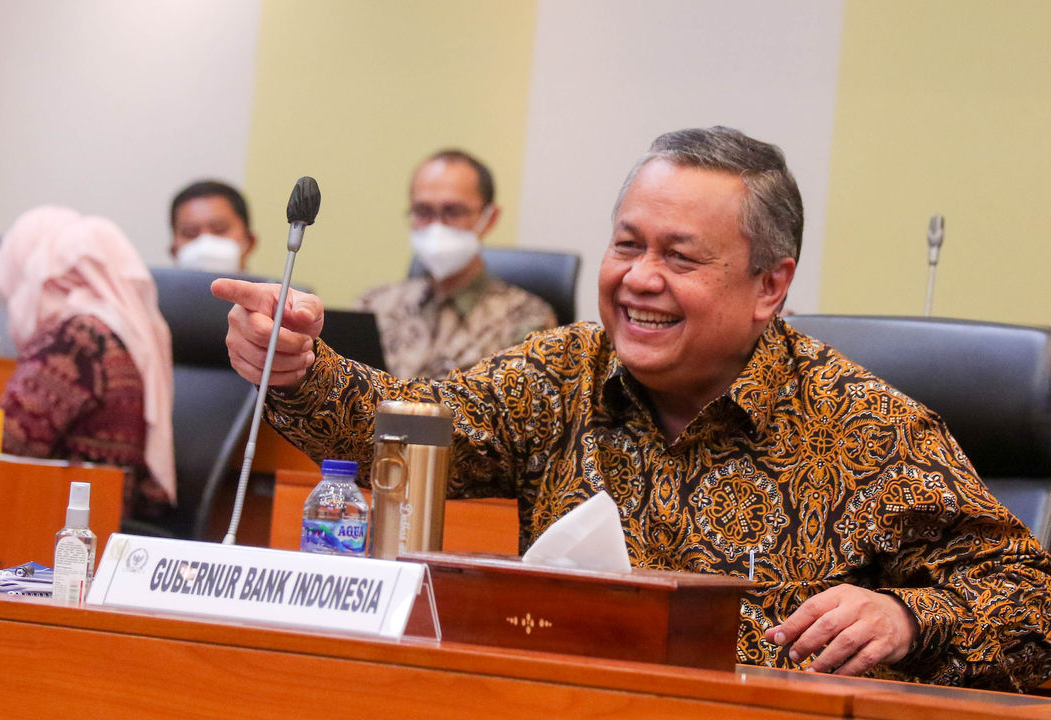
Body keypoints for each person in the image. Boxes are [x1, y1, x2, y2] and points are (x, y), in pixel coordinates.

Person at [210, 127, 1051, 691]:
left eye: (680, 257)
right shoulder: (565, 372)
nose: (639, 279)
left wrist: (908, 616)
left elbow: (1032, 601)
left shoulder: (866, 430)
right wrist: (299, 367)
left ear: (771, 285)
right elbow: (406, 429)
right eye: (627, 245)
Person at [0, 206, 176, 521]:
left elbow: (9, 443)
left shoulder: (76, 338)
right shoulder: (120, 329)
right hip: (98, 516)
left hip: (58, 525)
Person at [355, 149, 557, 378]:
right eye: (423, 211)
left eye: (453, 211)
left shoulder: (526, 320)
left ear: (489, 218)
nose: (436, 225)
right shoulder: (373, 306)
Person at [169, 180, 256, 273]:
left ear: (249, 242)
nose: (205, 243)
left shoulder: (272, 285)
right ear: (174, 250)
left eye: (219, 229)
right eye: (190, 233)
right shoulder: (157, 287)